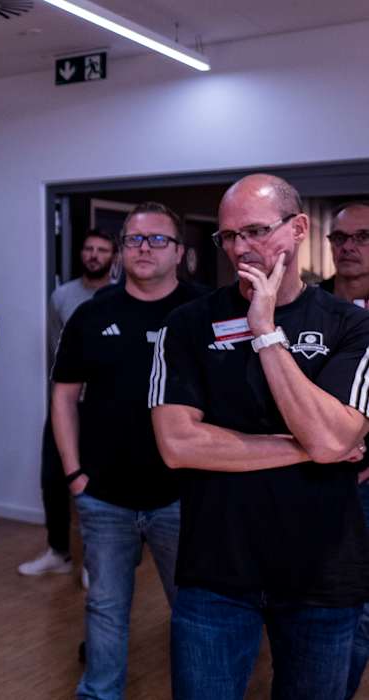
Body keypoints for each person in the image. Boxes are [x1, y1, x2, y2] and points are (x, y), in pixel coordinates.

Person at [150, 174, 369, 699]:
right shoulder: (186, 323)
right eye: (228, 236)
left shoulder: (349, 325)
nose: (239, 248)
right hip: (216, 574)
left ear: (297, 229)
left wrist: (266, 330)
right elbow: (179, 446)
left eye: (254, 231)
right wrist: (307, 448)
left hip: (321, 576)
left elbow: (334, 436)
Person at [52, 204, 201, 698]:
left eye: (158, 240)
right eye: (134, 240)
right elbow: (64, 397)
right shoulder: (91, 315)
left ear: (180, 252)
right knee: (106, 607)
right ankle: (99, 693)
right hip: (105, 496)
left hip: (183, 498)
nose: (143, 248)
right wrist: (75, 475)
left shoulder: (204, 314)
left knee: (195, 610)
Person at [20, 229, 116, 577]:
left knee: (100, 484)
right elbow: (56, 351)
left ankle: (97, 560)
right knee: (52, 478)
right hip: (66, 405)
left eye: (102, 249)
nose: (94, 255)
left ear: (113, 256)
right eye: (88, 248)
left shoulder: (119, 296)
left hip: (104, 408)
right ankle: (58, 551)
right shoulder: (62, 296)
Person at [319, 201, 369, 698]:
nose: (349, 247)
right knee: (315, 601)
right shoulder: (310, 308)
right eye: (341, 238)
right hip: (311, 476)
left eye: (363, 237)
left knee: (361, 612)